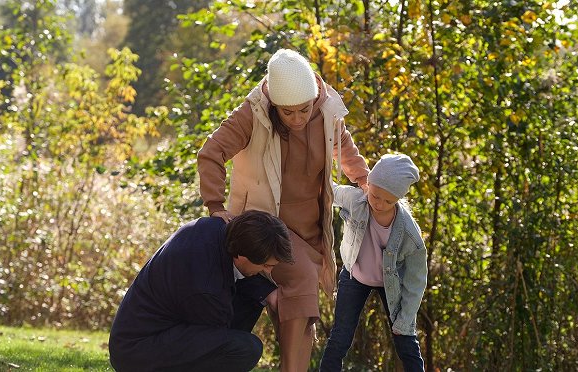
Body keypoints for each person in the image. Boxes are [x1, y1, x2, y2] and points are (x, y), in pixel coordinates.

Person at [197, 48, 370, 371]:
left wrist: (366, 182)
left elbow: (345, 149)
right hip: (267, 226)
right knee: (302, 282)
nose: (297, 119)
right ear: (274, 105)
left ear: (314, 98)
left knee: (300, 307)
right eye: (287, 113)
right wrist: (215, 206)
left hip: (311, 232)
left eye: (303, 110)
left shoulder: (327, 109)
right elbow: (211, 152)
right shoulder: (253, 113)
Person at [108, 210, 294, 372]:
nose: (269, 271)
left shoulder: (217, 228)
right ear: (242, 255)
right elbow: (218, 345)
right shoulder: (206, 288)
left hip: (152, 334)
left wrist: (267, 292)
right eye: (265, 265)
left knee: (253, 297)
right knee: (244, 349)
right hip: (137, 352)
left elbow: (234, 271)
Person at [319, 153, 427, 372]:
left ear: (398, 199)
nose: (379, 204)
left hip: (392, 285)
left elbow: (416, 282)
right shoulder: (357, 199)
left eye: (388, 201)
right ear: (369, 184)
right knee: (339, 337)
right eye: (376, 195)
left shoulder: (409, 233)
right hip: (355, 275)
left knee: (405, 339)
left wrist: (404, 319)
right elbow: (330, 191)